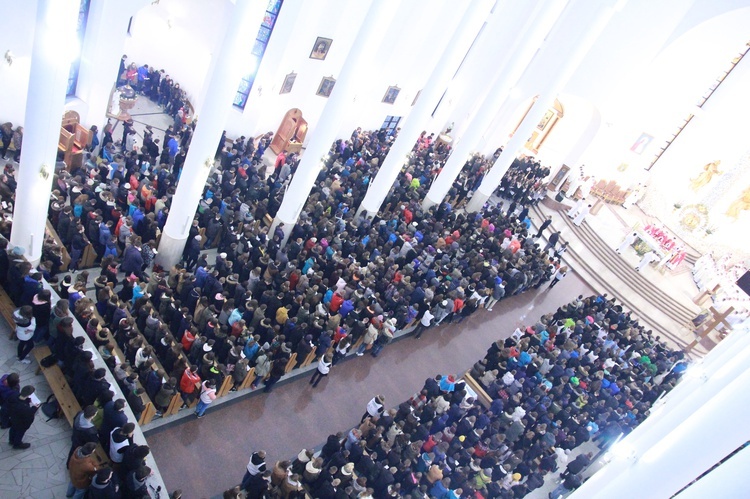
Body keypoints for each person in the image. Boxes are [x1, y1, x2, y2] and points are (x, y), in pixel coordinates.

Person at [6, 385, 38, 449]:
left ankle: (11, 440)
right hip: (21, 423)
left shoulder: (14, 396)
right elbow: (29, 414)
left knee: (13, 429)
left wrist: (27, 400)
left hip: (13, 418)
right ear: (29, 395)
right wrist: (35, 407)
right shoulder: (25, 408)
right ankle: (17, 444)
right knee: (20, 433)